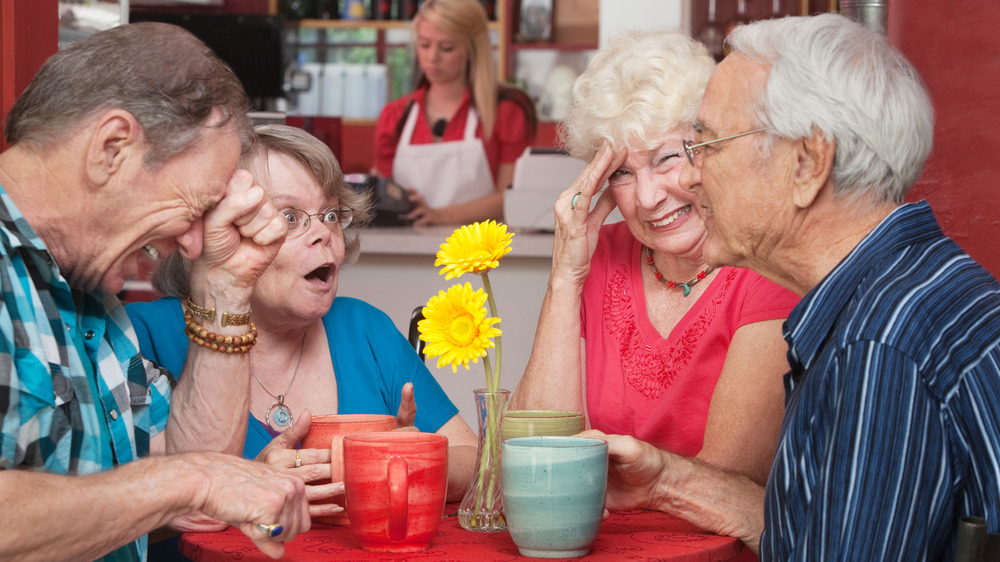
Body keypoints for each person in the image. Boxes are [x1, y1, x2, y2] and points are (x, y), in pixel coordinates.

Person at [583, 13, 1000, 560]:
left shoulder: (874, 349)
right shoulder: (923, 281)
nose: (690, 177)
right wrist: (665, 481)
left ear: (807, 163)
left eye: (709, 145)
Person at [0, 23, 309, 561]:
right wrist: (188, 480)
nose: (191, 243)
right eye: (193, 208)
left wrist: (226, 287)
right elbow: (186, 482)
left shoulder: (88, 294)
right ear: (112, 147)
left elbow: (190, 495)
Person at [126, 125, 478, 503]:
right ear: (215, 233)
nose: (324, 233)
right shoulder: (141, 337)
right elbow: (122, 503)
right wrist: (248, 486)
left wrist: (415, 462)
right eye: (289, 218)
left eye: (329, 214)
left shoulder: (364, 329)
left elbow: (476, 462)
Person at [509, 30, 799, 487]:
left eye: (666, 159)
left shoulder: (762, 263)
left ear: (712, 149)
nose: (647, 198)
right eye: (622, 172)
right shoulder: (597, 256)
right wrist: (566, 274)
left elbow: (730, 480)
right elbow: (535, 462)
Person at [373, 0, 537, 226]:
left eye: (447, 47)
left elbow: (510, 196)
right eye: (424, 44)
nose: (432, 58)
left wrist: (440, 216)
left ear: (472, 49)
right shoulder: (395, 116)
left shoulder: (507, 111)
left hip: (482, 251)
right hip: (406, 250)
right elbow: (384, 193)